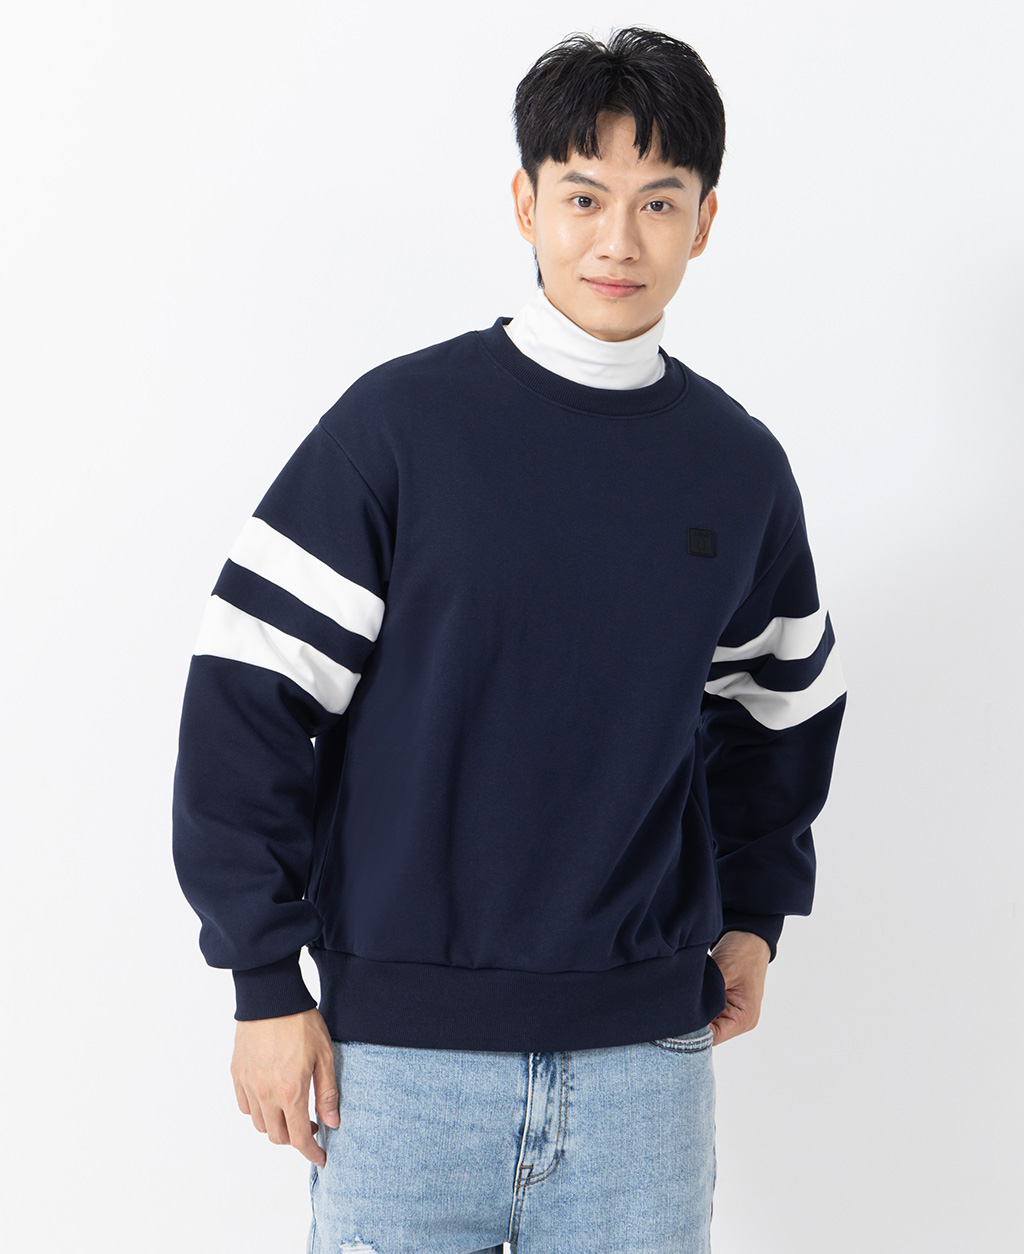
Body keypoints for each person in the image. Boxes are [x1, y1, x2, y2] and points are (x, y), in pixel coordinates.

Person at [172, 25, 847, 1254]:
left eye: (658, 202)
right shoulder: (400, 428)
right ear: (526, 203)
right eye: (584, 197)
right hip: (397, 1072)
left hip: (644, 1072)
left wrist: (755, 911)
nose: (618, 240)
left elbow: (780, 705)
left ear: (704, 222)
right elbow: (249, 692)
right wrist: (263, 983)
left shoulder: (737, 468)